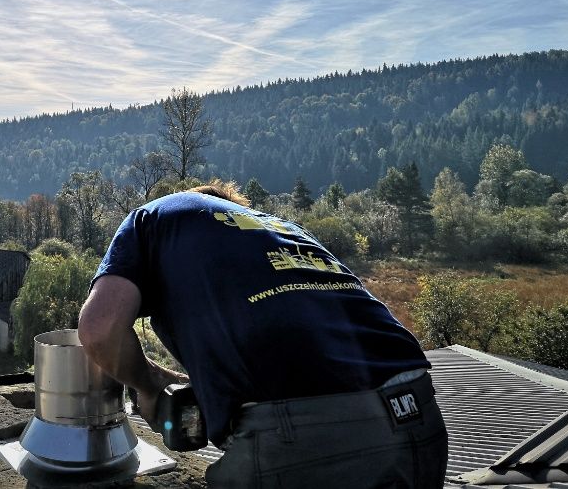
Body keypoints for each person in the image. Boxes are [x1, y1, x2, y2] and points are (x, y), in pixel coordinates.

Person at [78, 181, 448, 488]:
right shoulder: (282, 229)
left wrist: (149, 384)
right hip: (419, 412)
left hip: (301, 440)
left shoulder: (157, 215)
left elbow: (99, 331)